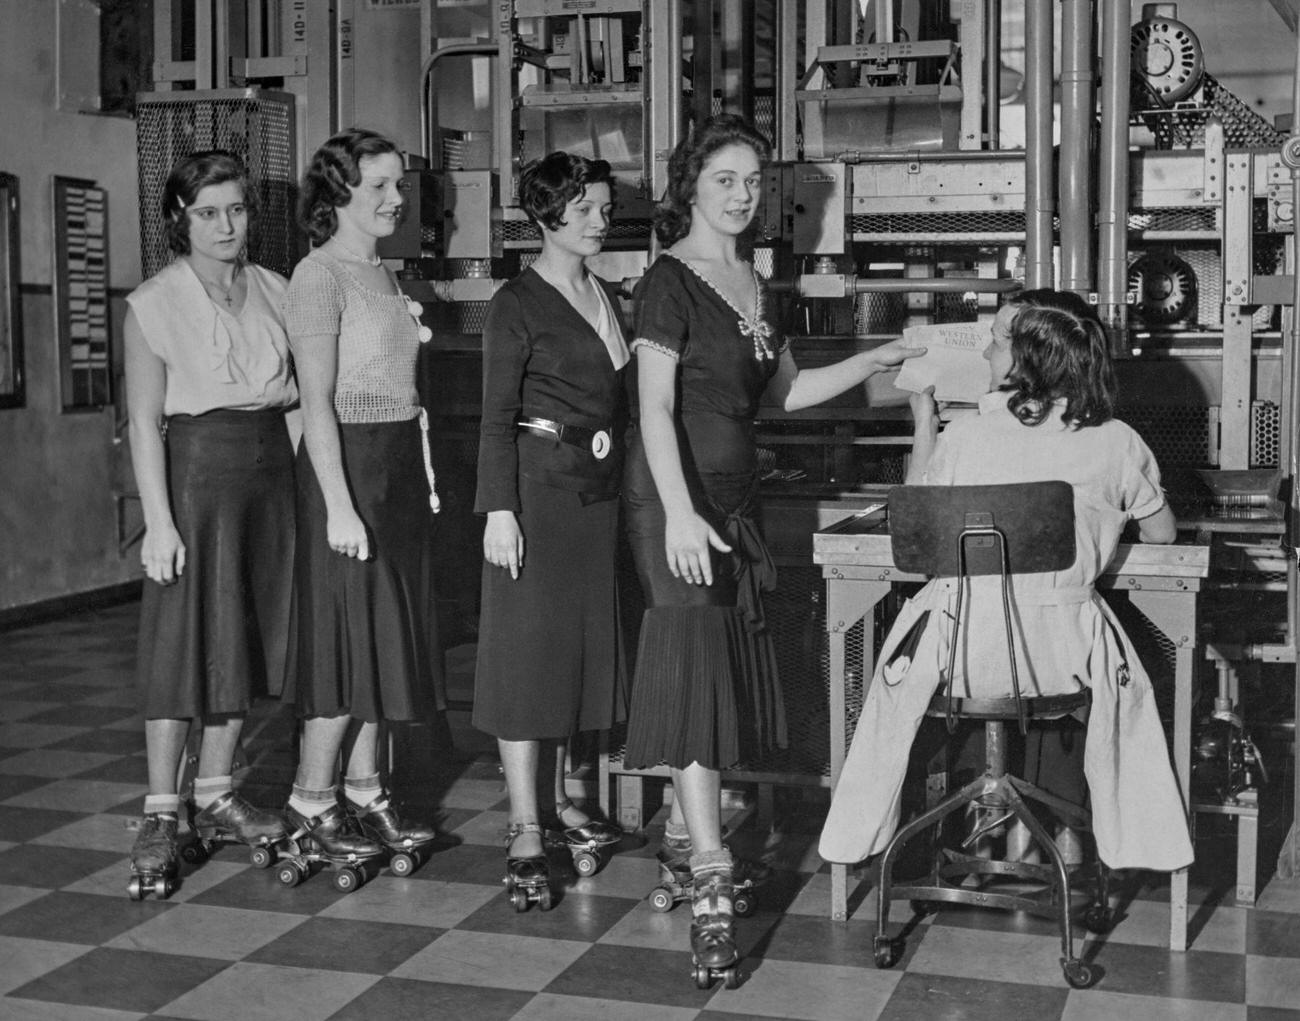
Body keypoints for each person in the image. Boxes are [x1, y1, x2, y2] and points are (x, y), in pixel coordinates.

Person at [622, 114, 924, 975]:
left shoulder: (754, 278)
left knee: (719, 663)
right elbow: (652, 408)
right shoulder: (669, 281)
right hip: (672, 501)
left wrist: (878, 357)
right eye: (724, 179)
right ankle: (712, 874)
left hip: (734, 500)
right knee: (689, 662)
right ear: (690, 186)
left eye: (753, 181)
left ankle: (689, 836)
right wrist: (679, 513)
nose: (742, 195)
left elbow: (786, 392)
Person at [818, 289, 1194, 875]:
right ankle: (1118, 847)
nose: (987, 348)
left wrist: (924, 422)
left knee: (887, 692)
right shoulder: (1117, 439)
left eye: (997, 339)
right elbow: (1165, 536)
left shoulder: (966, 435)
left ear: (1025, 361)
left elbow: (913, 530)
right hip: (1061, 660)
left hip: (961, 656)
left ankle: (864, 846)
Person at [124, 150, 295, 895]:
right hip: (194, 476)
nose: (225, 225)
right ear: (179, 220)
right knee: (184, 636)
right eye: (207, 212)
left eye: (235, 209)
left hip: (271, 474)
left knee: (246, 636)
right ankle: (164, 809)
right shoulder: (153, 302)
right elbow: (141, 420)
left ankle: (216, 790)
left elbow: (295, 401)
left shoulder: (276, 290)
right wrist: (159, 522)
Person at [281, 128, 443, 872]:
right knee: (344, 646)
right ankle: (310, 800)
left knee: (384, 643)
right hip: (345, 470)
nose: (396, 198)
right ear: (337, 192)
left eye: (398, 184)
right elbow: (315, 400)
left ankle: (365, 784)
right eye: (378, 185)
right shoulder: (319, 275)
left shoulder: (386, 274)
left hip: (397, 470)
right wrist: (339, 505)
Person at [474, 151, 628, 905]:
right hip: (536, 495)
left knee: (574, 657)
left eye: (603, 207)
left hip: (596, 498)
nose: (602, 219)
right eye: (588, 208)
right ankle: (526, 827)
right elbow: (496, 414)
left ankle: (566, 802)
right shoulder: (518, 302)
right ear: (548, 216)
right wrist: (498, 509)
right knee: (524, 659)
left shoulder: (606, 295)